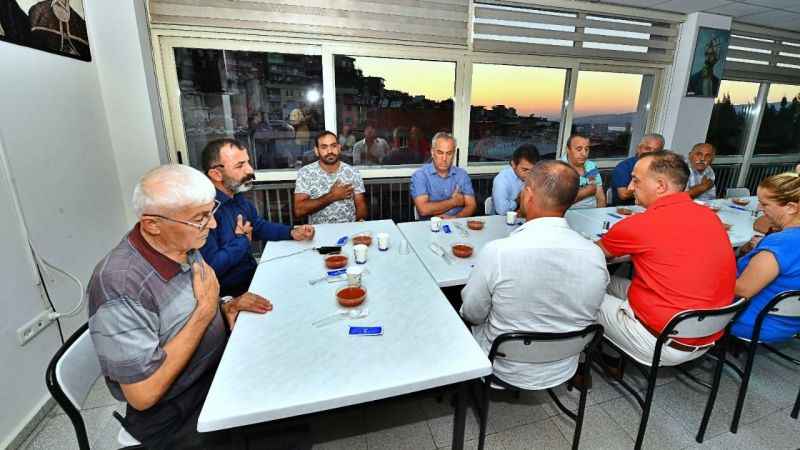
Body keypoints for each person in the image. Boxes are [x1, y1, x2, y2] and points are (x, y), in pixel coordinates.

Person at [87, 164, 275, 449]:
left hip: (214, 375)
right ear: (152, 224)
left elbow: (184, 312)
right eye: (200, 218)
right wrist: (205, 312)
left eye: (209, 212)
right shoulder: (120, 283)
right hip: (178, 415)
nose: (211, 225)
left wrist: (225, 308)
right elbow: (143, 392)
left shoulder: (183, 244)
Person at [461, 160, 609, 389]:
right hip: (564, 366)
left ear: (528, 195)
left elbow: (472, 313)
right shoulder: (595, 255)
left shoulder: (498, 252)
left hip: (505, 368)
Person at [597, 151, 736, 367]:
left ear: (661, 186)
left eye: (635, 180)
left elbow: (593, 254)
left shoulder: (640, 225)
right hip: (709, 334)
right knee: (610, 282)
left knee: (580, 292)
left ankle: (582, 362)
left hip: (662, 341)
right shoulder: (710, 216)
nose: (631, 187)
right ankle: (610, 351)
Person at [200, 138, 314, 297]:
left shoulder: (236, 196)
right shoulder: (202, 211)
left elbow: (258, 226)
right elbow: (211, 267)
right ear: (216, 174)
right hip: (230, 296)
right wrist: (242, 241)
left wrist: (291, 232)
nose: (250, 170)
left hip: (253, 278)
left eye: (247, 163)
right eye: (240, 166)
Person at [731, 172, 800, 342]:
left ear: (791, 207)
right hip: (791, 323)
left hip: (755, 322)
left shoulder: (780, 244)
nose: (759, 209)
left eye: (765, 204)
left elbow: (743, 290)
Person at [294, 131, 368, 224]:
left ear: (339, 148)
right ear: (317, 151)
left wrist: (359, 224)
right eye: (324, 147)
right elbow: (299, 210)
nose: (330, 151)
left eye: (333, 146)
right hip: (318, 233)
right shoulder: (305, 173)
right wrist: (332, 196)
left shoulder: (353, 172)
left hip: (348, 230)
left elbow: (360, 204)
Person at [410, 132, 476, 219]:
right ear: (432, 152)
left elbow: (471, 205)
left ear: (454, 154)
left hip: (458, 224)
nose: (444, 159)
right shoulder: (420, 176)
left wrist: (455, 218)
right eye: (440, 152)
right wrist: (454, 202)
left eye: (449, 153)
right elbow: (423, 210)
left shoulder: (462, 175)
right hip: (430, 227)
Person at [611, 133, 664, 206]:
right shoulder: (624, 167)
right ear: (638, 148)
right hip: (626, 210)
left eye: (657, 151)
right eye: (647, 148)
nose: (651, 153)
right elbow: (623, 195)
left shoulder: (663, 168)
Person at [490, 144, 539, 215]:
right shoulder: (502, 180)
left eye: (532, 170)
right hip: (501, 221)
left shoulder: (537, 176)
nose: (529, 174)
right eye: (525, 169)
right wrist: (517, 201)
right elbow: (501, 211)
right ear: (513, 164)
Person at [561, 134, 606, 209]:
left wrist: (600, 215)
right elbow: (560, 201)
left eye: (586, 149)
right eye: (579, 149)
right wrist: (588, 190)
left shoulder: (591, 166)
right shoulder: (558, 168)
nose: (584, 154)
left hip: (592, 212)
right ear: (568, 150)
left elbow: (600, 197)